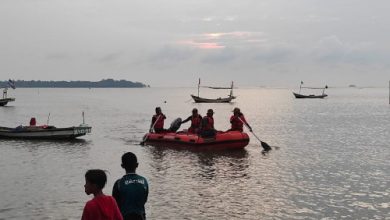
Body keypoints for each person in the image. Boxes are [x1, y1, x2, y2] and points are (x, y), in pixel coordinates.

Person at [113, 152, 149, 220]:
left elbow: (115, 205)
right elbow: (144, 199)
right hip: (141, 217)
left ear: (122, 166)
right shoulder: (144, 181)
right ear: (137, 165)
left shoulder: (119, 183)